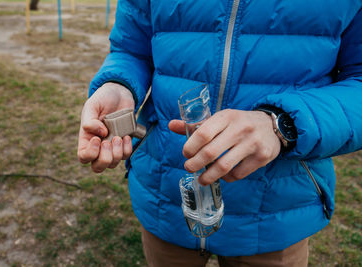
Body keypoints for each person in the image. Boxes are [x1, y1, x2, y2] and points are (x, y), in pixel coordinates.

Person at [78, 1, 362, 266]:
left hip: (277, 211)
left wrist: (282, 124)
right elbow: (131, 49)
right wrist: (118, 85)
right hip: (165, 198)